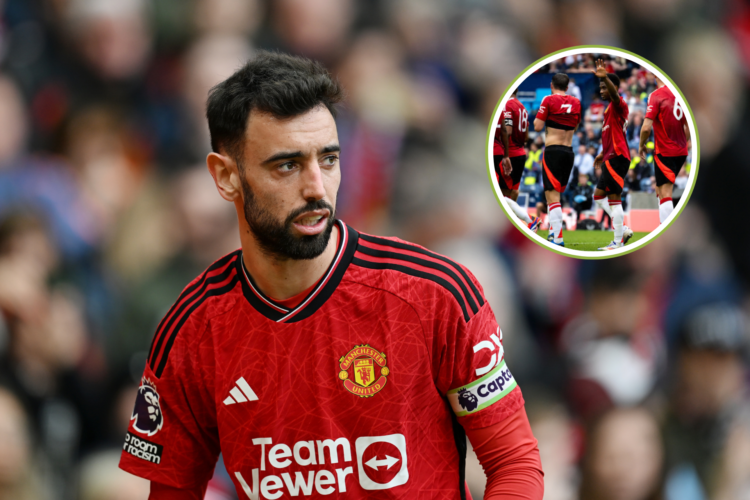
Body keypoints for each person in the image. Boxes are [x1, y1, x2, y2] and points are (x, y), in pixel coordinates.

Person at [118, 51, 544, 499]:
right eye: (287, 165)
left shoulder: (434, 295)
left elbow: (514, 462)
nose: (317, 188)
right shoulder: (192, 328)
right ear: (226, 178)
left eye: (328, 159)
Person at [533, 73, 582, 247]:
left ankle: (558, 238)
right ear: (567, 87)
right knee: (557, 196)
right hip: (569, 151)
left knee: (552, 197)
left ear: (552, 85)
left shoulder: (548, 100)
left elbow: (537, 126)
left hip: (553, 150)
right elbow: (576, 125)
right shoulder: (576, 102)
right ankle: (553, 233)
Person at [591, 60, 634, 251]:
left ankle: (617, 242)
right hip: (610, 156)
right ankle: (622, 228)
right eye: (600, 86)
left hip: (618, 156)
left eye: (604, 86)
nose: (601, 89)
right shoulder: (608, 110)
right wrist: (602, 153)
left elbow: (615, 95)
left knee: (614, 199)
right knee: (599, 197)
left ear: (613, 87)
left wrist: (605, 77)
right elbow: (614, 134)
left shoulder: (619, 104)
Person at [638, 78, 689, 224]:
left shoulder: (657, 95)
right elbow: (688, 126)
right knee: (660, 190)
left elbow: (646, 128)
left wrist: (641, 145)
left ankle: (667, 230)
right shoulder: (680, 94)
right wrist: (681, 143)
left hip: (665, 151)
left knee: (665, 193)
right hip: (681, 152)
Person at [495, 90, 541, 232]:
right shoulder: (522, 107)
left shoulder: (507, 105)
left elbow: (507, 130)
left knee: (499, 195)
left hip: (506, 153)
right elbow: (526, 136)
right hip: (520, 153)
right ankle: (512, 227)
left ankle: (529, 219)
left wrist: (506, 154)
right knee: (511, 193)